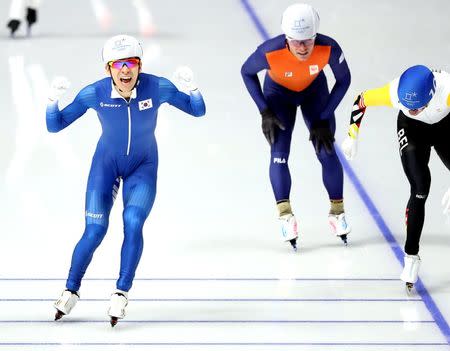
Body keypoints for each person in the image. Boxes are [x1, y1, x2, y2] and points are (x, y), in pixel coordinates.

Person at [48, 34, 206, 326]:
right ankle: (70, 289)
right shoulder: (94, 93)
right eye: (118, 64)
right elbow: (55, 125)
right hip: (106, 165)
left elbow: (197, 110)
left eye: (131, 63)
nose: (125, 71)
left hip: (143, 165)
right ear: (107, 69)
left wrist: (192, 89)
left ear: (140, 66)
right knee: (95, 230)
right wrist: (51, 101)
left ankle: (121, 292)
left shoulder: (157, 87)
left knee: (133, 221)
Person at [241, 3, 352, 250]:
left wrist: (324, 116)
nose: (302, 48)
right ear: (286, 38)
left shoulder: (329, 47)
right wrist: (265, 110)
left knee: (327, 152)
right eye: (296, 41)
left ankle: (337, 212)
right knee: (279, 156)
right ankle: (285, 215)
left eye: (308, 41)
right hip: (279, 96)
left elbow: (344, 79)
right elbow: (246, 72)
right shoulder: (268, 52)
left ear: (315, 36)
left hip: (315, 93)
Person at [341, 65, 450, 292]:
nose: (411, 110)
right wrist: (352, 135)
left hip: (445, 128)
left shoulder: (447, 92)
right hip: (413, 132)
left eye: (417, 108)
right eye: (406, 107)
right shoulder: (395, 93)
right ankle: (411, 257)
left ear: (431, 97)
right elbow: (362, 99)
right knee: (420, 188)